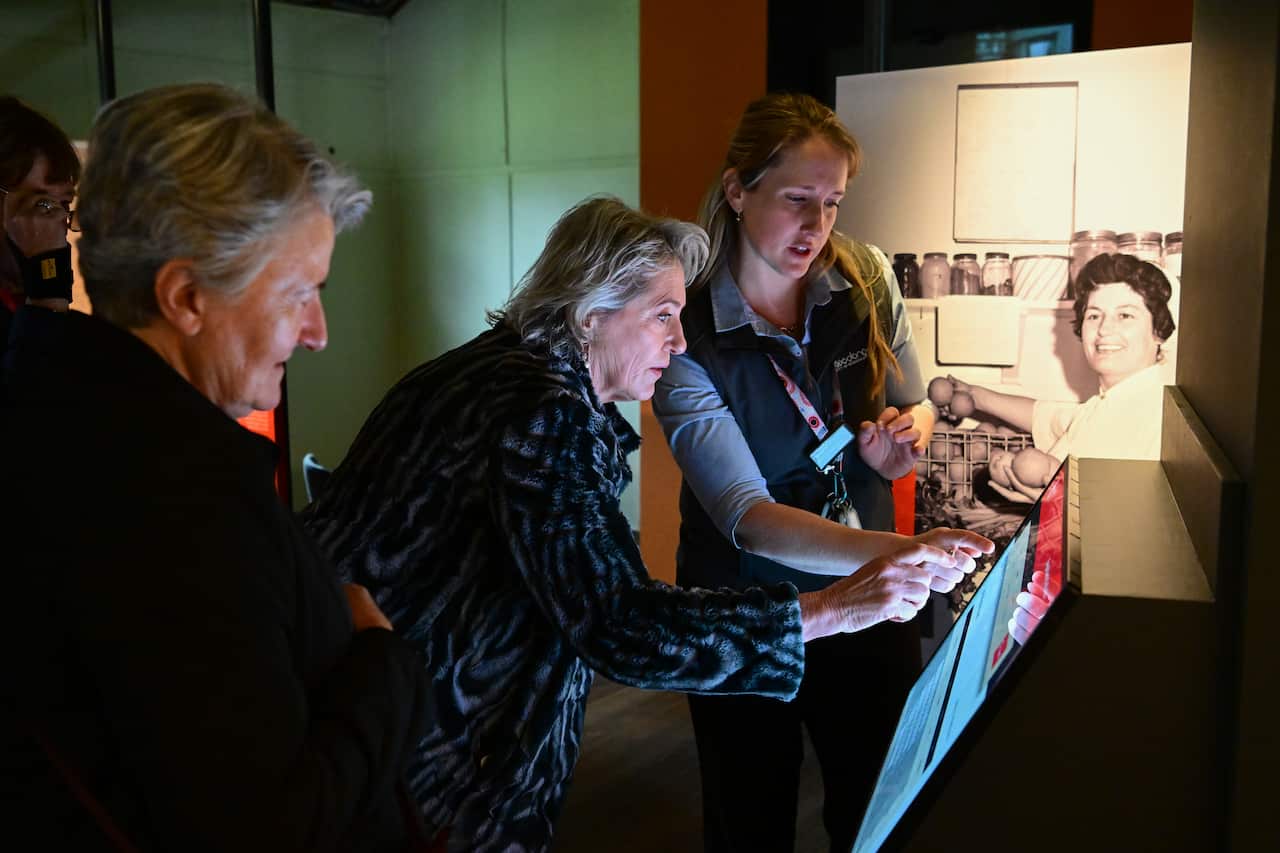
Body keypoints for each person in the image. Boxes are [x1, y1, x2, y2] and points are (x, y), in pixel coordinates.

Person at [300, 195, 991, 852]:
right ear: (591, 313)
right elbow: (620, 623)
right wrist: (835, 608)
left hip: (380, 736)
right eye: (663, 314)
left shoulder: (494, 373)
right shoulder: (540, 412)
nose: (682, 340)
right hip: (422, 768)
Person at [0, 83, 430, 852]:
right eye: (299, 292)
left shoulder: (54, 398)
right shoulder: (165, 501)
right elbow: (267, 827)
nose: (318, 332)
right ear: (187, 297)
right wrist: (384, 665)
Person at [650, 92, 952, 853]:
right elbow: (746, 513)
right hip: (745, 607)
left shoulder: (867, 279)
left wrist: (899, 439)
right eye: (795, 200)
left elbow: (920, 403)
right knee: (750, 818)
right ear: (736, 190)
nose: (817, 227)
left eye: (832, 202)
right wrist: (901, 553)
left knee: (877, 809)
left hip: (875, 598)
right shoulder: (681, 331)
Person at [940, 252, 1176, 500]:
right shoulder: (1107, 405)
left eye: (1125, 315)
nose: (1105, 329)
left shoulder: (1155, 418)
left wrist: (1055, 503)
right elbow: (1047, 415)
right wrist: (975, 395)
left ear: (1159, 330)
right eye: (1094, 315)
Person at [0, 96, 80, 362]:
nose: (54, 228)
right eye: (41, 204)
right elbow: (34, 399)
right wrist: (48, 295)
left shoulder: (23, 300)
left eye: (64, 203)